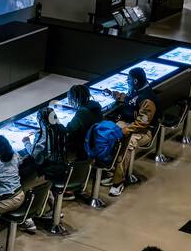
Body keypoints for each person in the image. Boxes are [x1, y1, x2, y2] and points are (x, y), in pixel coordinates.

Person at [105, 67, 159, 197]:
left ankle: (118, 182)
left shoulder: (147, 100)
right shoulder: (137, 90)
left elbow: (142, 123)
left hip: (144, 131)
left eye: (128, 79)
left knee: (127, 145)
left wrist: (124, 131)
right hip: (129, 124)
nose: (126, 81)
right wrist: (113, 94)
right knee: (107, 133)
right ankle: (110, 171)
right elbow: (128, 99)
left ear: (135, 80)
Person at [63, 84, 103, 161]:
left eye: (70, 99)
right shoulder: (95, 107)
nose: (69, 103)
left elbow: (70, 129)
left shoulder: (82, 113)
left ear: (76, 99)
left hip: (85, 146)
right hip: (95, 142)